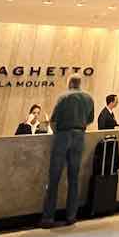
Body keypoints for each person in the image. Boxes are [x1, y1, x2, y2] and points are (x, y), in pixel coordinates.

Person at [40, 78, 94, 228]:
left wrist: (58, 132)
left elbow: (53, 120)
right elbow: (90, 119)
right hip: (80, 137)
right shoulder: (88, 98)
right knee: (74, 178)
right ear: (80, 83)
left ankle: (48, 218)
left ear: (69, 83)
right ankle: (71, 216)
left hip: (63, 136)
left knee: (54, 177)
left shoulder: (63, 97)